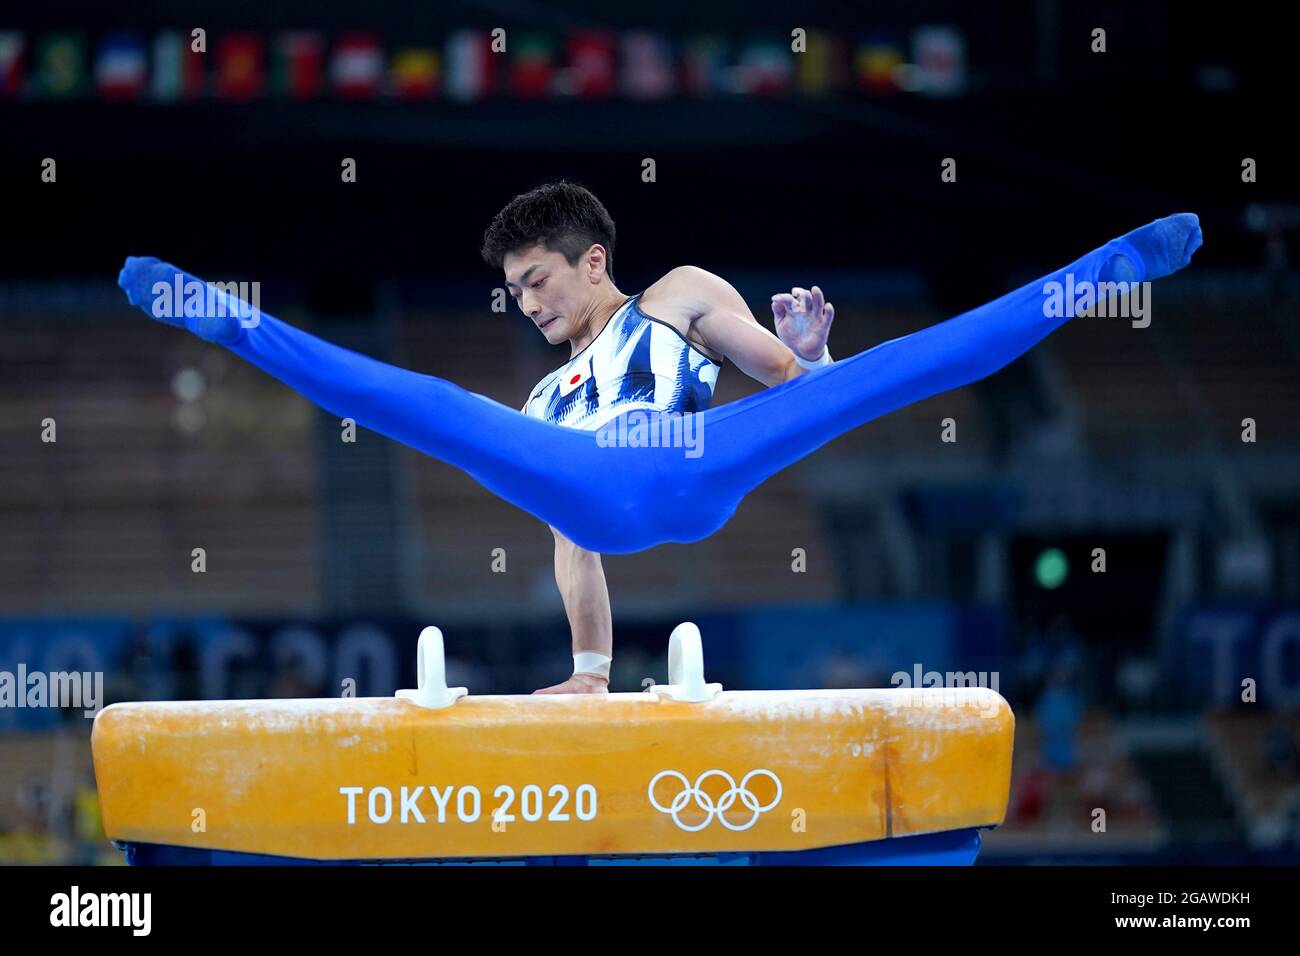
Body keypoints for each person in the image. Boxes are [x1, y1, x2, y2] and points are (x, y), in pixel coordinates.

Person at [116, 189, 1202, 694]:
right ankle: (220, 313)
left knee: (899, 367)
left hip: (696, 452)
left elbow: (785, 384)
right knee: (430, 403)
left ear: (592, 261)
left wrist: (812, 358)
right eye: (513, 291)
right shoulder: (544, 400)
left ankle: (1101, 271)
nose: (527, 304)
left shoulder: (677, 293)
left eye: (537, 280)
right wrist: (590, 672)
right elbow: (572, 546)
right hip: (595, 482)